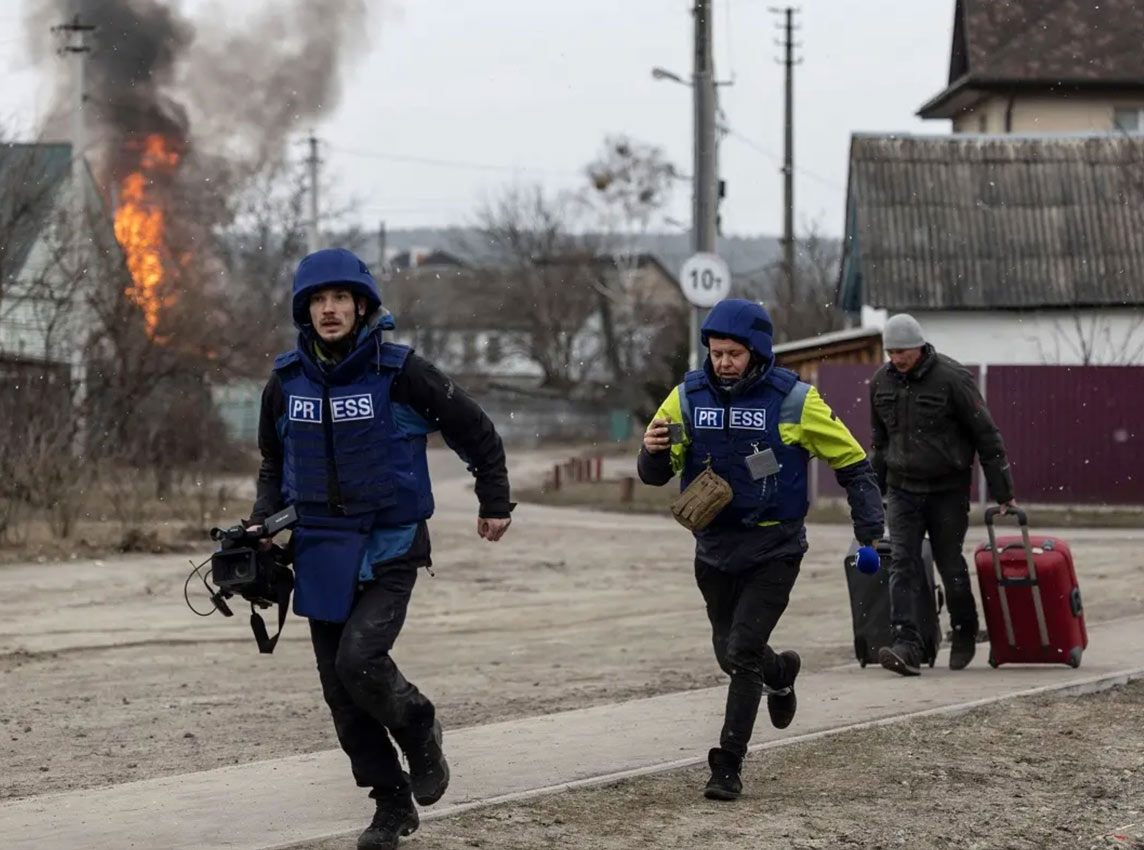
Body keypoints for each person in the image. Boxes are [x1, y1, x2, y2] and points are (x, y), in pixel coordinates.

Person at [247, 248, 514, 850]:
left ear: (362, 305)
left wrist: (493, 499)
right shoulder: (286, 382)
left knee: (359, 661)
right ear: (305, 311)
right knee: (343, 697)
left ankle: (419, 724)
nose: (330, 310)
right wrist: (262, 521)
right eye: (318, 301)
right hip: (318, 555)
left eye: (341, 298)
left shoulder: (401, 373)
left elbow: (474, 430)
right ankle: (391, 805)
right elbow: (274, 461)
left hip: (390, 548)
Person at [638, 299, 883, 801]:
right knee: (730, 654)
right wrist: (651, 451)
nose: (723, 362)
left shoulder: (795, 400)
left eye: (733, 353)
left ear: (758, 351)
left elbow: (854, 464)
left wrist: (869, 531)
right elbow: (656, 472)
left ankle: (727, 764)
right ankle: (781, 673)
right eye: (716, 352)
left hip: (775, 547)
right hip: (713, 546)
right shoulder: (686, 396)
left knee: (742, 650)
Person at [869, 313, 1014, 677]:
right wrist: (872, 496)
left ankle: (964, 629)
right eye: (891, 352)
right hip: (902, 490)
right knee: (903, 562)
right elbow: (880, 443)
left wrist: (1003, 493)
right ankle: (908, 643)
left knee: (950, 565)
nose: (897, 358)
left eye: (902, 351)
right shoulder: (880, 383)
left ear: (919, 346)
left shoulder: (952, 378)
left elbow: (987, 436)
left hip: (947, 490)